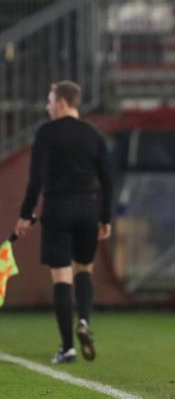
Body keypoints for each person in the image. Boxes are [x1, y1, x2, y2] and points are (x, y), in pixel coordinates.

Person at [14, 81, 113, 364]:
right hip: (87, 209)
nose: (47, 107)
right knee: (84, 269)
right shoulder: (94, 135)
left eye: (49, 101)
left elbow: (37, 179)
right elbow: (107, 179)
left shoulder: (46, 133)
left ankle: (67, 347)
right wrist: (104, 217)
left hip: (57, 209)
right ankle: (83, 320)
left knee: (61, 276)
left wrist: (25, 213)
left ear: (61, 102)